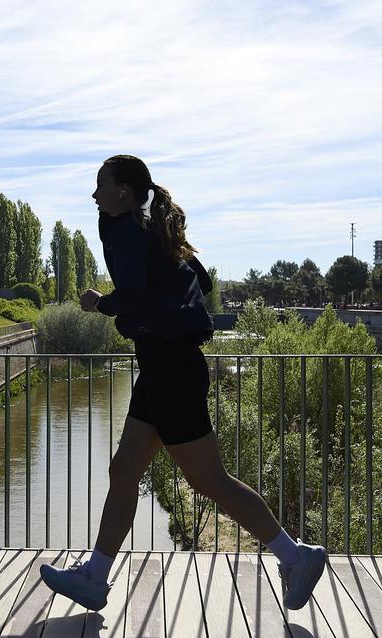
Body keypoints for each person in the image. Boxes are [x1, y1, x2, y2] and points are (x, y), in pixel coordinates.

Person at [39, 154, 327, 612]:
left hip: (171, 372)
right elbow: (195, 282)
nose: (94, 195)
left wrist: (99, 304)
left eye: (101, 186)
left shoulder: (131, 231)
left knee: (210, 479)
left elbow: (134, 295)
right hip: (162, 369)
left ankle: (295, 556)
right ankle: (95, 575)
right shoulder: (151, 231)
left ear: (124, 192)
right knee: (124, 471)